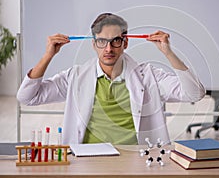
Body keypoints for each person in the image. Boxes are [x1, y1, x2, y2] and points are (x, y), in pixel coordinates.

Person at [17, 13, 205, 145]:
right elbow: (27, 97)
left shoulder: (148, 76)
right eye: (102, 42)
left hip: (136, 160)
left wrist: (168, 52)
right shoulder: (76, 76)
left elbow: (194, 94)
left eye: (115, 41)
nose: (108, 49)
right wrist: (48, 56)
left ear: (125, 43)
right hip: (87, 160)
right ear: (94, 44)